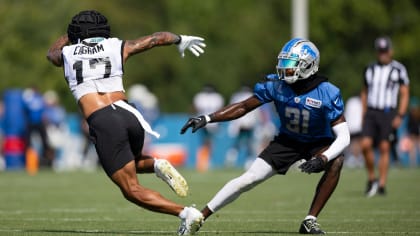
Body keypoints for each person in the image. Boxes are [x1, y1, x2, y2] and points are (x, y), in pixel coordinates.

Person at [47, 10, 205, 235]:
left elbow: (51, 54)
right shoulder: (117, 46)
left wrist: (67, 36)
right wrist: (181, 39)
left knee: (131, 189)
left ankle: (186, 213)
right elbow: (155, 39)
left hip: (103, 118)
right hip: (130, 113)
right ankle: (156, 165)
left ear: (76, 34)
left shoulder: (67, 53)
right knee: (130, 163)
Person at [180, 38, 350, 235]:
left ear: (309, 65)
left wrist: (323, 158)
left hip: (318, 142)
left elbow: (344, 137)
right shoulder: (277, 86)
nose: (285, 69)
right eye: (284, 63)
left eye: (291, 64)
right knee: (249, 179)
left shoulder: (327, 92)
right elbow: (244, 106)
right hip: (288, 141)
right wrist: (208, 118)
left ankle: (310, 220)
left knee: (336, 161)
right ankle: (199, 217)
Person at [360, 36, 409, 197]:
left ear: (391, 51)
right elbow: (364, 92)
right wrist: (364, 112)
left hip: (388, 112)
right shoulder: (370, 68)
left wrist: (400, 114)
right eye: (380, 51)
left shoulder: (398, 69)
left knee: (384, 147)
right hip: (371, 112)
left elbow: (404, 93)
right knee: (365, 145)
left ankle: (381, 184)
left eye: (385, 51)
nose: (383, 54)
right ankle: (371, 178)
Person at [192, 84, 224, 171]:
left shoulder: (202, 97)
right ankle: (204, 161)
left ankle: (205, 161)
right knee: (207, 143)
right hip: (208, 122)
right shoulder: (214, 97)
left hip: (207, 122)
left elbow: (195, 108)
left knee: (207, 143)